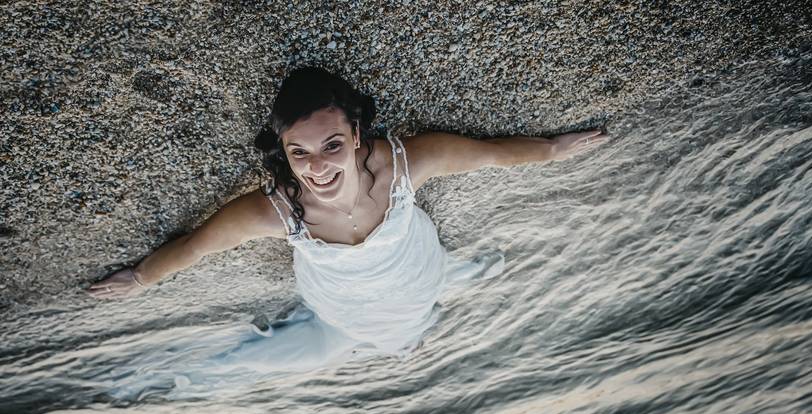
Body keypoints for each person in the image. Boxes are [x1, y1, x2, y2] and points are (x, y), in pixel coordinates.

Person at [87, 67, 610, 374]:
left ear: (357, 136)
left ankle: (420, 313)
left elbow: (491, 154)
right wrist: (140, 277)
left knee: (416, 318)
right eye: (300, 153)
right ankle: (386, 331)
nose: (317, 167)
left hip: (416, 270)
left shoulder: (408, 164)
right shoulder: (279, 210)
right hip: (340, 303)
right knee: (339, 339)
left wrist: (551, 150)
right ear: (286, 155)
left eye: (332, 145)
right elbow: (199, 246)